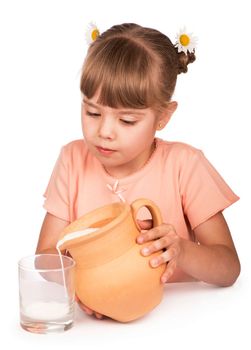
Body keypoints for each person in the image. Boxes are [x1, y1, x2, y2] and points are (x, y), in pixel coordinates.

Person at [35, 23, 241, 319]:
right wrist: (85, 286)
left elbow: (229, 268)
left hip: (187, 322)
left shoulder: (185, 165)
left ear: (163, 116)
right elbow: (44, 257)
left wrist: (181, 250)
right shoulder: (72, 160)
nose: (104, 131)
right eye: (92, 112)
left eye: (127, 120)